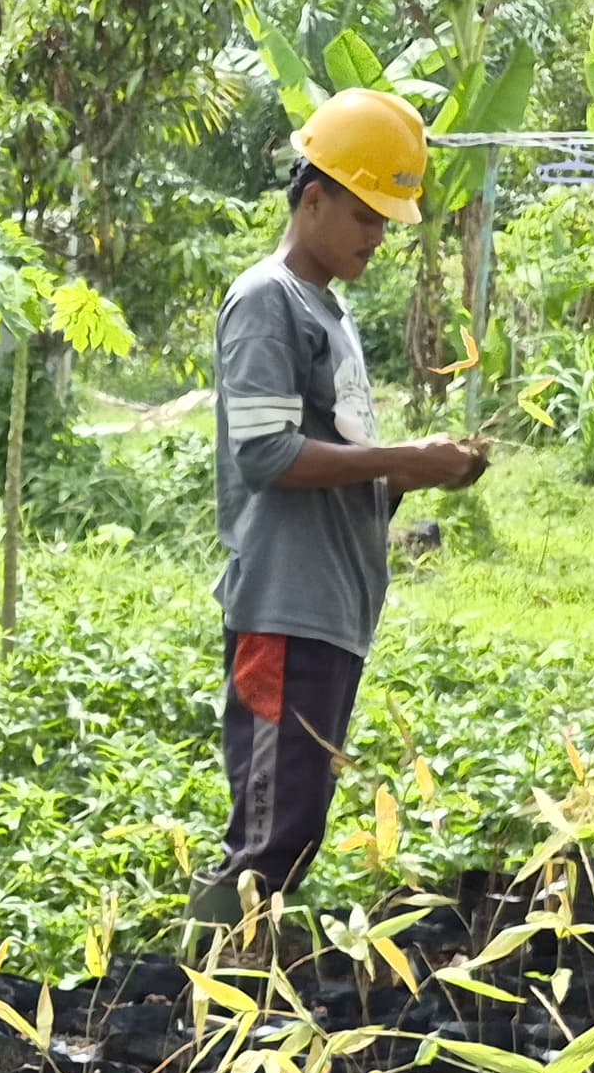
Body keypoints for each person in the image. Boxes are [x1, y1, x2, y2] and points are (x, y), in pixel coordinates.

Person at [195, 84, 490, 925]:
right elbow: (265, 455)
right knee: (268, 833)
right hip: (286, 607)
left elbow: (339, 463)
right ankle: (206, 1002)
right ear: (313, 198)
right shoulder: (267, 301)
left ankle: (245, 995)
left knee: (293, 825)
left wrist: (414, 475)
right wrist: (403, 456)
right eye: (366, 216)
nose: (378, 236)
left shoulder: (331, 310)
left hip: (329, 605)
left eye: (386, 221)